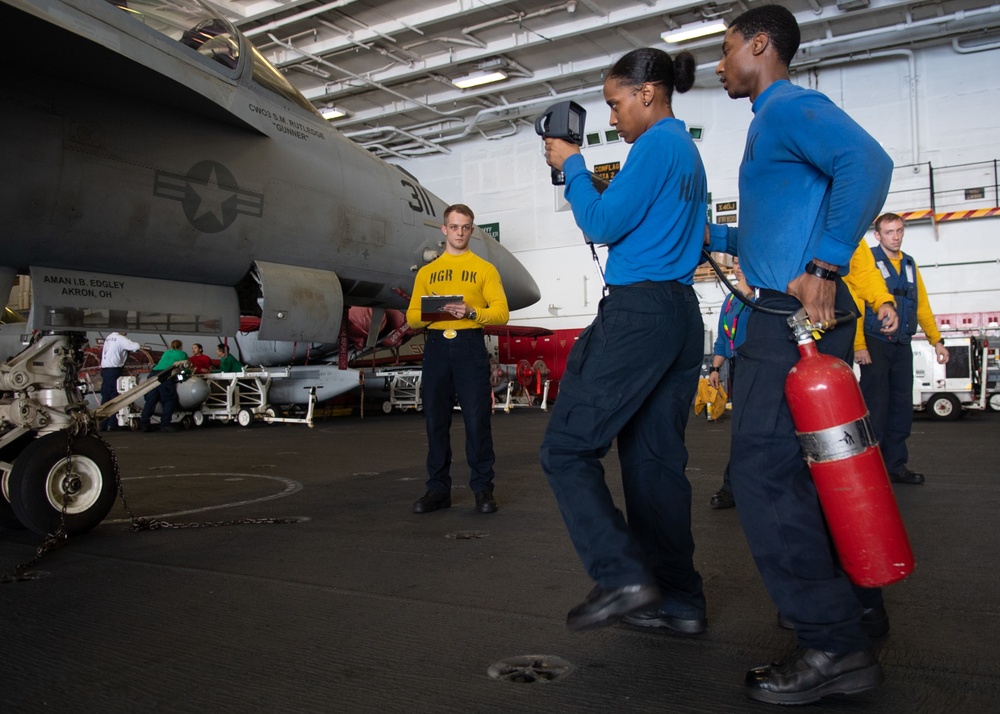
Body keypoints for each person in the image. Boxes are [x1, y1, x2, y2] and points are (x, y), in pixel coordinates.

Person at [709, 5, 894, 705]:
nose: (721, 65)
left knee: (760, 473)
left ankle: (832, 645)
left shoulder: (787, 107)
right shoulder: (770, 125)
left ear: (761, 45)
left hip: (788, 319)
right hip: (787, 311)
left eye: (728, 51)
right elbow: (780, 224)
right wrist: (716, 237)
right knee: (809, 473)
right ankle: (858, 615)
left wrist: (824, 261)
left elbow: (868, 164)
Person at [539, 47, 708, 635]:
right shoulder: (686, 152)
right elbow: (696, 229)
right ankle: (680, 601)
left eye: (615, 104)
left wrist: (574, 165)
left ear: (647, 92)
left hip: (640, 313)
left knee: (565, 449)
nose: (613, 118)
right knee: (654, 464)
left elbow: (602, 223)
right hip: (680, 314)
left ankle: (622, 576)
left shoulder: (656, 144)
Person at [406, 204, 509, 515]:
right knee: (436, 421)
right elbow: (411, 318)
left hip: (469, 347)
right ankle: (438, 490)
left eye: (465, 227)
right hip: (437, 347)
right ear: (444, 230)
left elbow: (501, 313)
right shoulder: (426, 272)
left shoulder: (485, 269)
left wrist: (472, 312)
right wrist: (433, 312)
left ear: (472, 230)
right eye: (454, 227)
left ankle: (483, 489)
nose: (460, 233)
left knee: (477, 420)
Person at [857, 213, 949, 485]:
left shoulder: (909, 264)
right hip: (874, 343)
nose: (895, 236)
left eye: (899, 231)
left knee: (900, 406)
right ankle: (870, 469)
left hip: (901, 344)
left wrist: (936, 340)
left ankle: (895, 465)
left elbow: (922, 307)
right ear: (878, 235)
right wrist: (859, 345)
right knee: (876, 406)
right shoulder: (867, 261)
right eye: (889, 232)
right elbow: (858, 302)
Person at [707, 257, 753, 509]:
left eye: (743, 262)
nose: (738, 267)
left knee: (755, 429)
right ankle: (732, 487)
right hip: (738, 368)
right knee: (741, 429)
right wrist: (715, 367)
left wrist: (749, 293)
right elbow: (724, 340)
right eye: (735, 262)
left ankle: (740, 486)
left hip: (760, 367)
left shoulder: (763, 296)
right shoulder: (731, 299)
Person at [139, 340, 187, 433]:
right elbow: (185, 367)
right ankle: (165, 424)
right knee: (169, 399)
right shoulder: (182, 354)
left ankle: (145, 424)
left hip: (153, 374)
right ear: (181, 346)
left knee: (151, 400)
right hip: (165, 375)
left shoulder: (167, 352)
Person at [98, 330, 140, 431]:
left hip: (105, 370)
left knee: (106, 397)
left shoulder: (109, 337)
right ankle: (112, 424)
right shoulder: (120, 338)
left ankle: (102, 424)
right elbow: (136, 346)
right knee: (115, 397)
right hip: (114, 371)